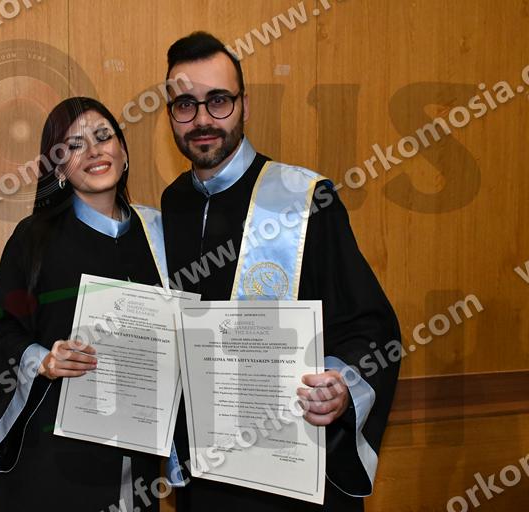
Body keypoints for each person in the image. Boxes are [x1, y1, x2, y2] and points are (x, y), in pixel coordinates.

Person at [160, 32, 401, 511]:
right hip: (207, 475)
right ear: (170, 114)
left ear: (244, 105)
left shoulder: (305, 200)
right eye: (185, 104)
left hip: (292, 472)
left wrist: (340, 387)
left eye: (219, 100)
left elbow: (371, 327)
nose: (202, 119)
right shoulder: (173, 205)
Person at [0, 97, 168, 512]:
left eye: (103, 136)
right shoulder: (34, 239)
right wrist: (42, 360)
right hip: (52, 463)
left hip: (138, 456)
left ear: (124, 151)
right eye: (74, 145)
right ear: (58, 169)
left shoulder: (160, 235)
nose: (93, 151)